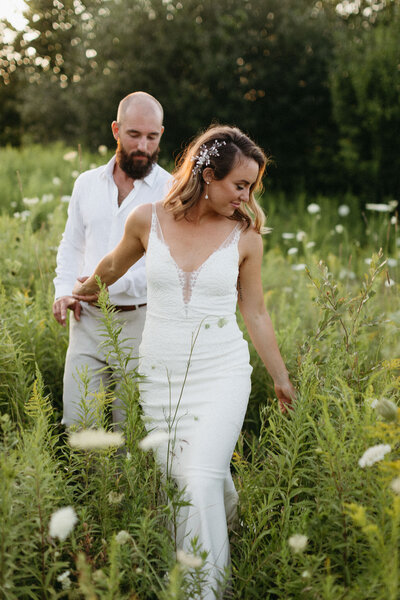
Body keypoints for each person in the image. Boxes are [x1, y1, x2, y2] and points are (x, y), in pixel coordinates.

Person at [73, 125, 296, 598]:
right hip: (160, 377)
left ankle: (203, 589)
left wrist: (280, 379)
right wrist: (78, 292)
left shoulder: (246, 237)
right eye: (240, 184)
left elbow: (254, 311)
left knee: (195, 479)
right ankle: (228, 522)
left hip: (222, 374)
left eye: (252, 187)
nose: (247, 195)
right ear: (208, 175)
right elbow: (112, 267)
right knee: (191, 482)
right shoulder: (145, 219)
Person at [53, 91, 171, 427]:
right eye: (134, 135)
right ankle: (87, 481)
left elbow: (166, 266)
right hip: (86, 321)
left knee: (128, 432)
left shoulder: (171, 192)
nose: (143, 146)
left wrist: (101, 284)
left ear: (161, 134)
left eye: (152, 136)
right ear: (116, 130)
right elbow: (71, 243)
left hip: (141, 325)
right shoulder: (86, 183)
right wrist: (64, 290)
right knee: (78, 423)